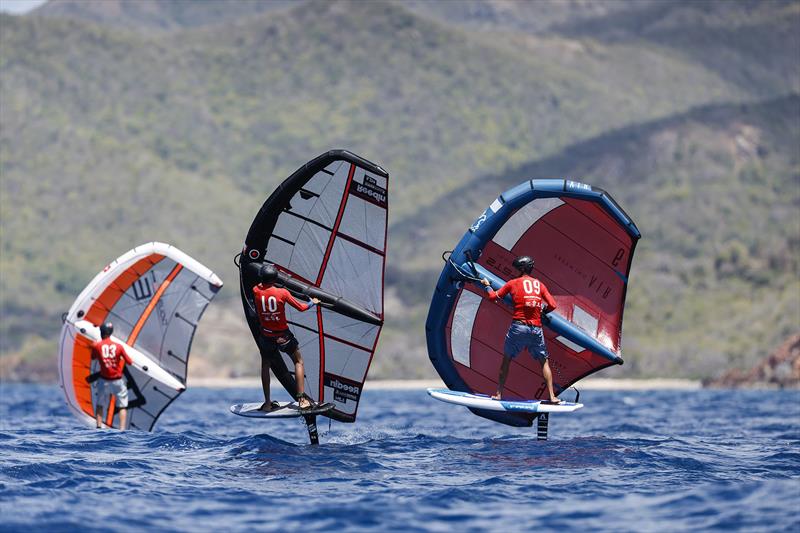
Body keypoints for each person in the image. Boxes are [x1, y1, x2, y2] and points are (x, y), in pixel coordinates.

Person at [480, 255, 561, 403]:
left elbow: (493, 297)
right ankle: (552, 396)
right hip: (536, 329)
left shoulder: (513, 283)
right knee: (544, 362)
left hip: (519, 327)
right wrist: (543, 312)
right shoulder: (539, 285)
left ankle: (498, 394)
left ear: (521, 269)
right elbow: (553, 305)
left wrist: (487, 285)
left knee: (507, 360)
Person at [252, 263, 320, 412]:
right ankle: (302, 400)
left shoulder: (256, 290)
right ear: (275, 278)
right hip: (283, 336)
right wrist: (312, 303)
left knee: (265, 365)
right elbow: (301, 308)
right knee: (298, 361)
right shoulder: (282, 293)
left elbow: (259, 284)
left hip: (266, 336)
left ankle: (268, 402)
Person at [91, 322, 133, 430]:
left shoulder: (97, 346)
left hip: (104, 381)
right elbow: (129, 362)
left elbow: (93, 357)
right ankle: (122, 429)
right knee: (122, 406)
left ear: (101, 332)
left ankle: (99, 427)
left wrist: (92, 346)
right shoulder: (119, 347)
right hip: (117, 381)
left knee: (100, 404)